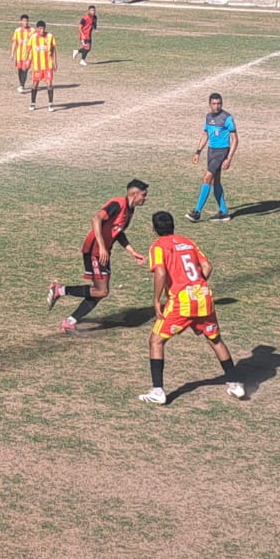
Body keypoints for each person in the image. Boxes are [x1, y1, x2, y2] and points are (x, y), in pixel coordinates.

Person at [137, 211, 244, 404]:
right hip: (203, 297)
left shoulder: (158, 246)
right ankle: (235, 383)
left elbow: (160, 271)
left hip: (181, 301)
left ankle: (158, 391)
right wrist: (197, 284)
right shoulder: (188, 242)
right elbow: (207, 266)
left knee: (156, 341)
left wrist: (156, 300)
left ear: (153, 228)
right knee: (215, 340)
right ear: (173, 225)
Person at [48, 179, 150, 332]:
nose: (145, 198)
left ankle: (70, 320)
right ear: (134, 194)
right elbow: (96, 218)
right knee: (101, 291)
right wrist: (102, 247)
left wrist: (132, 251)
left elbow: (118, 232)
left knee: (100, 291)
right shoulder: (118, 204)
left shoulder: (130, 210)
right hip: (94, 250)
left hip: (103, 252)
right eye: (144, 195)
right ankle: (60, 290)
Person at [189, 92, 237, 222]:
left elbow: (235, 139)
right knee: (216, 181)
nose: (217, 106)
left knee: (207, 178)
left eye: (219, 103)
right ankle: (224, 212)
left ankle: (197, 211)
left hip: (221, 152)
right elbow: (205, 134)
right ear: (209, 104)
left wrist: (229, 158)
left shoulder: (227, 118)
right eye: (214, 103)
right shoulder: (208, 117)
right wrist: (198, 152)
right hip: (211, 151)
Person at [26, 20, 57, 112]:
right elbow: (28, 49)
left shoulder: (50, 36)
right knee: (35, 84)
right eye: (40, 28)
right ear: (37, 29)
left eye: (43, 28)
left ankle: (50, 104)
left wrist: (55, 62)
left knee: (49, 84)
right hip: (37, 67)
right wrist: (27, 61)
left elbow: (54, 50)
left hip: (48, 66)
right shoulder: (33, 37)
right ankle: (32, 103)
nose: (42, 30)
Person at [11, 14, 34, 93]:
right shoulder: (17, 31)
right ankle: (21, 84)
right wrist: (12, 53)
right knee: (20, 70)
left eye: (27, 21)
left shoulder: (32, 30)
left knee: (25, 69)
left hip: (29, 55)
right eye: (24, 21)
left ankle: (22, 85)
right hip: (19, 55)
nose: (26, 22)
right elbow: (14, 42)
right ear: (21, 21)